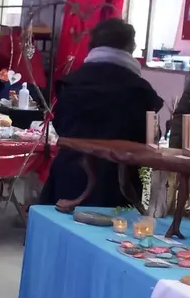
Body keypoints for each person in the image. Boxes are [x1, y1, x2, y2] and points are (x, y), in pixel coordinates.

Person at [40, 18, 163, 208]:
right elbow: (149, 137)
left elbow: (61, 126)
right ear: (130, 47)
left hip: (70, 174)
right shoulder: (141, 90)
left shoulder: (71, 83)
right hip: (118, 182)